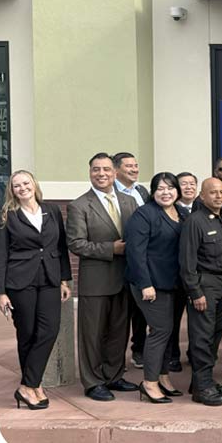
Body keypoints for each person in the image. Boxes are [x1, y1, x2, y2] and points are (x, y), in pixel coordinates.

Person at [67, 152, 139, 402]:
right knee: (92, 335)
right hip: (95, 281)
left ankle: (114, 375)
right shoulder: (79, 205)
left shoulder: (129, 202)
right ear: (90, 173)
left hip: (125, 278)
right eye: (96, 169)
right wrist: (111, 249)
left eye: (106, 169)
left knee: (119, 332)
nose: (102, 174)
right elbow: (76, 244)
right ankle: (93, 381)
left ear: (115, 173)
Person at [0, 170, 72, 409]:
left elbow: (60, 248)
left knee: (50, 329)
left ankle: (27, 385)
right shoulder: (7, 216)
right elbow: (0, 256)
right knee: (27, 333)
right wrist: (0, 292)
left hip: (50, 278)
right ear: (12, 190)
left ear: (34, 185)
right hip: (19, 282)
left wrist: (64, 280)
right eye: (16, 185)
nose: (22, 188)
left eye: (26, 183)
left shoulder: (52, 211)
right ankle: (34, 386)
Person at [180, 177, 222, 406]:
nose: (218, 196)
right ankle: (202, 389)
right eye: (213, 192)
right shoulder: (194, 222)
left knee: (217, 333)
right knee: (202, 336)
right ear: (202, 196)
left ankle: (201, 380)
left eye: (221, 192)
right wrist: (195, 292)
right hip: (205, 284)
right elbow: (187, 262)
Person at [124, 172, 185, 403]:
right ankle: (149, 383)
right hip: (151, 285)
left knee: (169, 332)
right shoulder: (144, 215)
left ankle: (163, 376)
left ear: (177, 191)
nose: (165, 192)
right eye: (160, 188)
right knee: (160, 331)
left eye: (170, 188)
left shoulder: (182, 213)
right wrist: (145, 284)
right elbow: (135, 253)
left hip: (174, 284)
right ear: (152, 192)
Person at [115, 151, 150, 369]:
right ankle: (116, 357)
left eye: (136, 165)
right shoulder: (111, 193)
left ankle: (139, 350)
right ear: (117, 169)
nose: (134, 169)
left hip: (143, 257)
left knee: (140, 310)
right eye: (129, 166)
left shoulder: (142, 191)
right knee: (121, 311)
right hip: (121, 256)